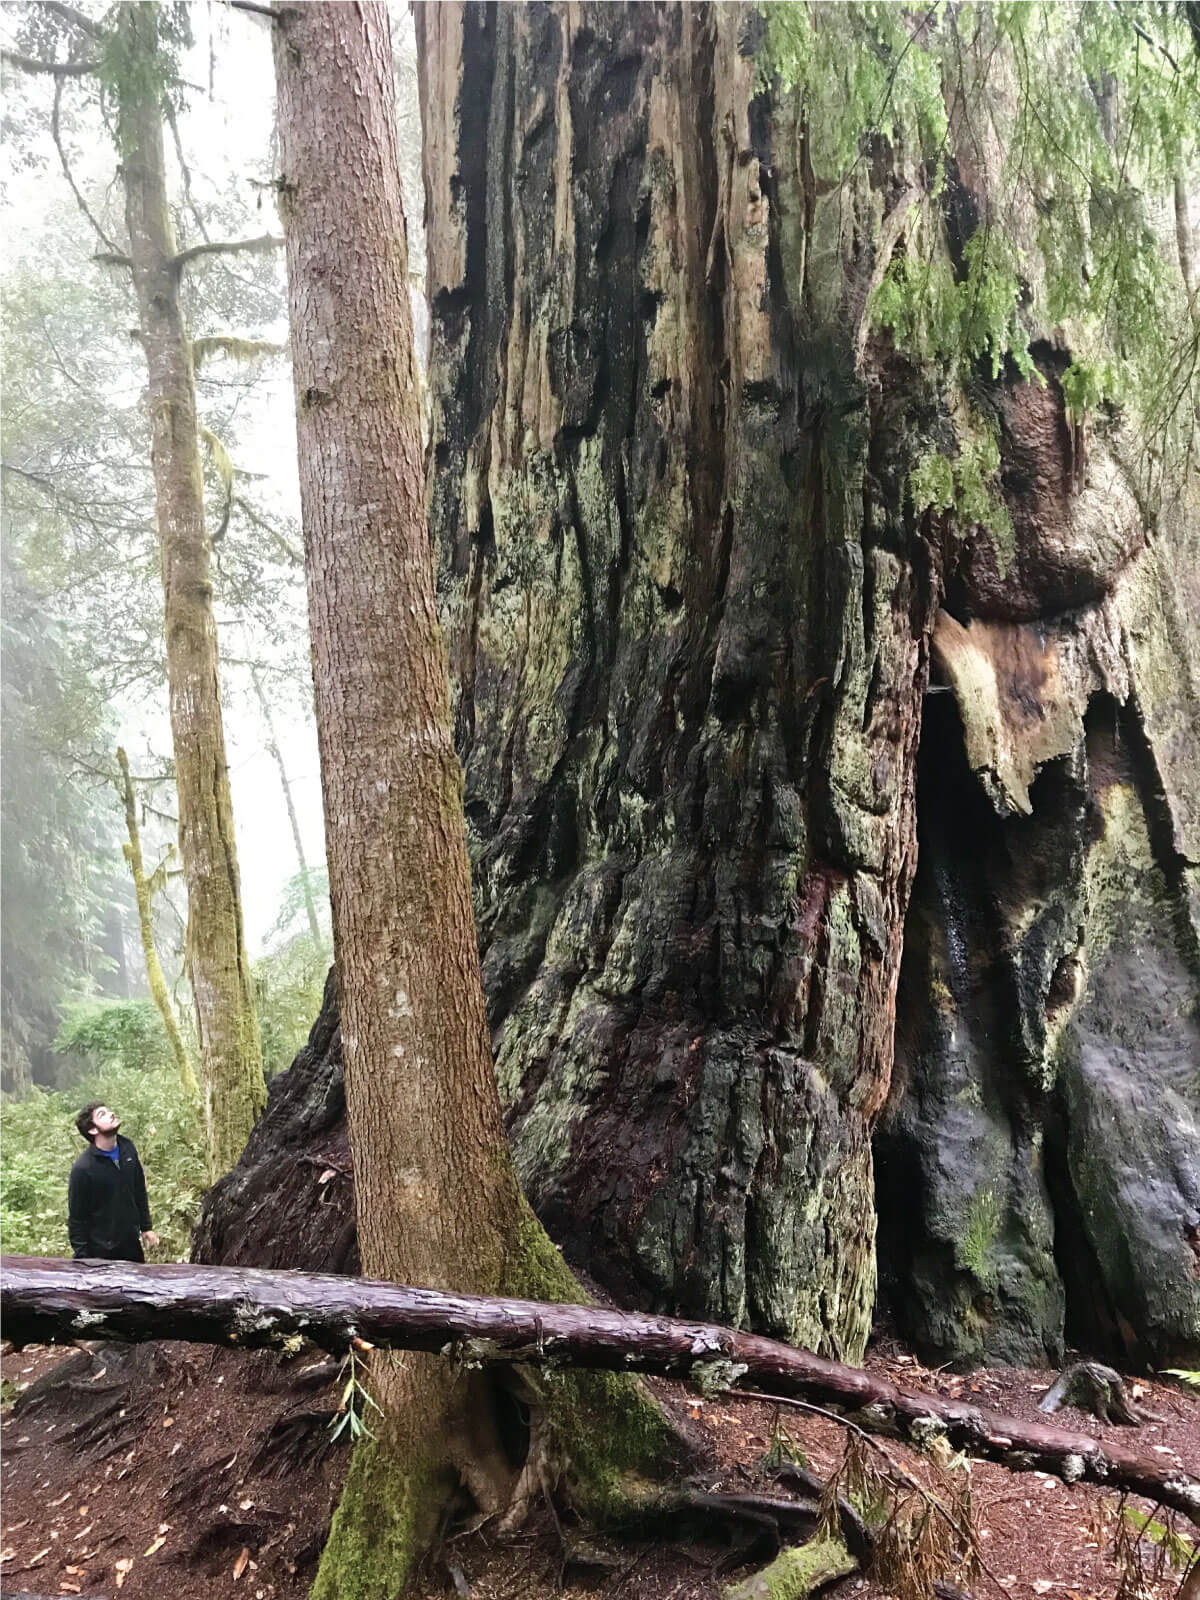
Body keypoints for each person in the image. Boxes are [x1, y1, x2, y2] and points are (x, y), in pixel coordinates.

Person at [67, 1102, 159, 1261]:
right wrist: (83, 1260)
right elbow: (77, 1219)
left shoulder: (128, 1148)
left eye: (108, 1110)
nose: (111, 1114)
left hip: (131, 1246)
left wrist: (146, 1228)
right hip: (100, 1253)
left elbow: (138, 1190)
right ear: (93, 1130)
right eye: (102, 1115)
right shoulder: (83, 1168)